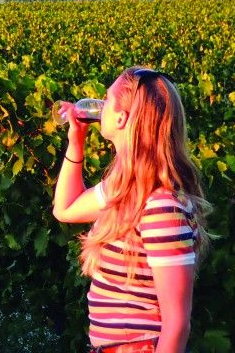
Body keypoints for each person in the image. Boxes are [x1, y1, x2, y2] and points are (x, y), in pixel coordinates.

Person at [53, 67, 210, 353]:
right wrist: (76, 143)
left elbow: (177, 324)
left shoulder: (162, 206)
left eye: (106, 99)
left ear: (122, 117)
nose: (99, 105)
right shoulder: (126, 188)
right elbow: (65, 209)